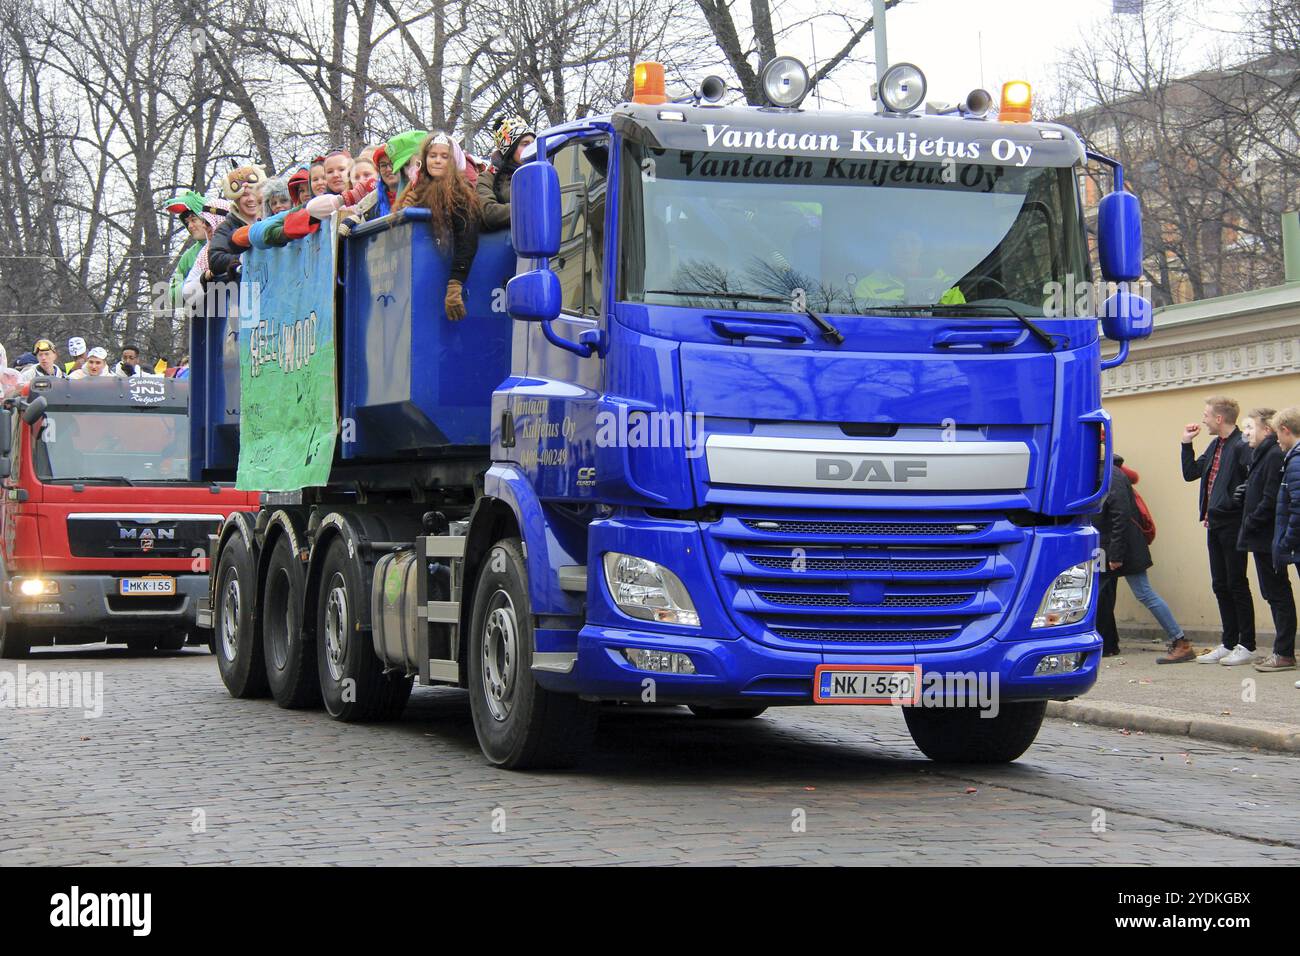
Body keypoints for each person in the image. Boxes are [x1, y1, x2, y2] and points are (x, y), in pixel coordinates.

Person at [1179, 395, 1254, 665]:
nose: (1203, 419)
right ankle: (1229, 642)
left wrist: (1237, 502)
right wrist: (1186, 443)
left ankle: (1247, 645)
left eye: (1207, 414)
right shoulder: (1214, 445)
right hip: (1213, 524)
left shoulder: (1242, 444)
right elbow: (1190, 473)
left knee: (1237, 583)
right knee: (1220, 584)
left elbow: (1253, 478)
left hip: (1233, 524)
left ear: (1219, 418)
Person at [1232, 407, 1296, 672]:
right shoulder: (1263, 454)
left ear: (1268, 430)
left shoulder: (1272, 455)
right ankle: (1282, 652)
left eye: (1250, 427)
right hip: (1264, 537)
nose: (1246, 433)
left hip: (1268, 537)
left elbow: (1271, 499)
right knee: (1273, 593)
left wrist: (1250, 521)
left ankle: (1284, 653)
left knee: (1277, 594)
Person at [392, 131, 480, 321]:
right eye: (432, 156)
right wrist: (407, 208)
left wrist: (455, 285)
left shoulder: (459, 195)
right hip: (418, 278)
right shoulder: (416, 189)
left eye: (444, 156)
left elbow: (467, 239)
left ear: (453, 161)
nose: (437, 161)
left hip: (445, 273)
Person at [1093, 457, 1160, 656]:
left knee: (1142, 593)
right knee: (1103, 594)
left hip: (1116, 547)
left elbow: (1118, 516)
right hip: (1110, 545)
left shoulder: (1110, 473)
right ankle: (1108, 644)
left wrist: (1115, 554)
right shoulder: (1112, 471)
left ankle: (1179, 638)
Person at [854, 230, 965, 307]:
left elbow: (959, 321)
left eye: (913, 242)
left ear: (923, 248)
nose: (907, 249)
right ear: (890, 247)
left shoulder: (948, 284)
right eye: (899, 241)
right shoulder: (867, 286)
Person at [205, 164, 266, 285]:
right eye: (244, 195)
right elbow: (215, 259)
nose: (250, 199)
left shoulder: (272, 219)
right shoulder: (226, 227)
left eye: (254, 193)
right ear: (236, 199)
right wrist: (244, 259)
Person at [477, 115, 535, 231]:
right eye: (524, 144)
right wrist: (528, 209)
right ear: (510, 150)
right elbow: (488, 213)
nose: (531, 148)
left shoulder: (541, 174)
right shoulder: (488, 178)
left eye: (533, 144)